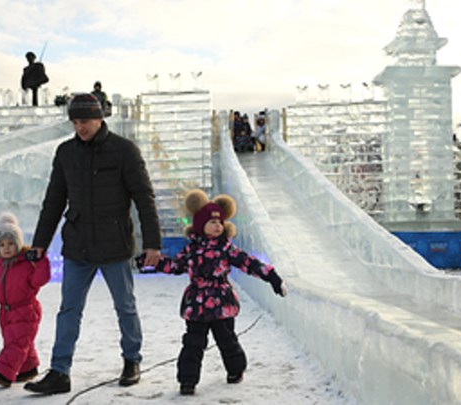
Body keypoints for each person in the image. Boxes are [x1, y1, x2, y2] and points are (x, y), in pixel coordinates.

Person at [24, 94, 162, 395]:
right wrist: (40, 244)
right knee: (69, 309)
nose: (79, 127)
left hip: (115, 245)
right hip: (77, 245)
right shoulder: (65, 153)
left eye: (84, 121)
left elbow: (144, 198)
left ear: (100, 119)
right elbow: (54, 200)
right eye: (74, 122)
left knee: (125, 306)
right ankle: (60, 371)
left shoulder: (124, 151)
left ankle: (131, 361)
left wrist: (153, 244)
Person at [135, 189, 288, 396]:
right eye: (212, 222)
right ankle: (187, 381)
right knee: (192, 343)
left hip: (221, 303)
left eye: (220, 222)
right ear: (200, 225)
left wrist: (272, 278)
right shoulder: (191, 250)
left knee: (227, 339)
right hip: (197, 305)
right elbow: (175, 266)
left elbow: (248, 263)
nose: (218, 225)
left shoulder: (227, 248)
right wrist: (151, 263)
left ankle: (235, 370)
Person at [0, 213, 52, 388]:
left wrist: (41, 261)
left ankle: (3, 373)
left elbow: (40, 279)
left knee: (15, 344)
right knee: (19, 342)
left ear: (18, 244)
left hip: (26, 310)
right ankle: (28, 368)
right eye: (2, 244)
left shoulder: (27, 266)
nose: (6, 248)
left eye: (11, 243)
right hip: (6, 313)